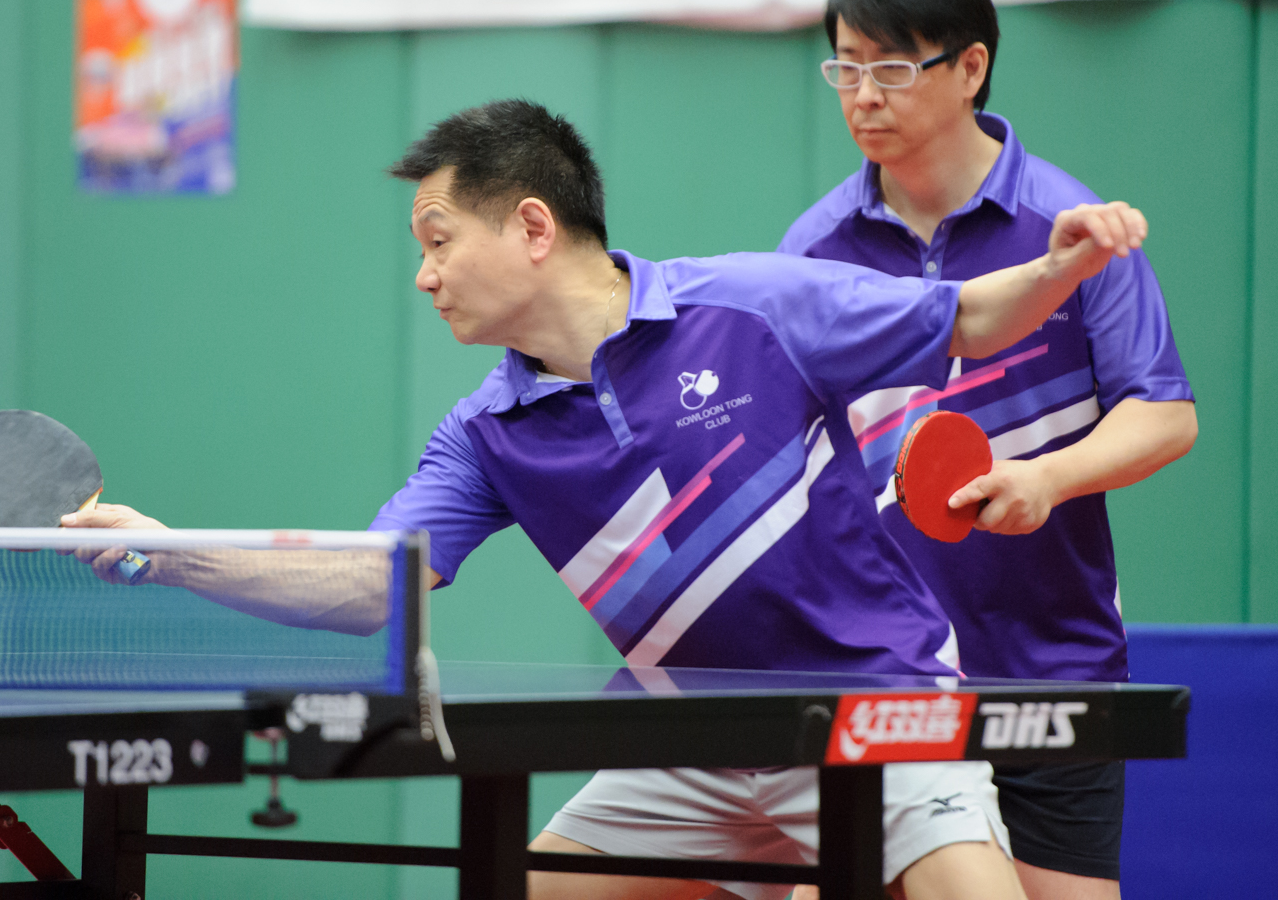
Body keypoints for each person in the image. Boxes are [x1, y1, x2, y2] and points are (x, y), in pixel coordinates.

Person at [65, 98, 1153, 900]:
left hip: (877, 709)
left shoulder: (753, 306)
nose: (424, 276)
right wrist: (173, 552)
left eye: (439, 242)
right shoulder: (487, 436)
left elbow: (964, 318)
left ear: (532, 227)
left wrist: (1057, 270)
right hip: (689, 744)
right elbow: (368, 587)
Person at [778, 0, 1197, 900]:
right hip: (887, 671)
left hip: (1050, 661)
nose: (862, 95)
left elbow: (1164, 415)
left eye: (891, 68)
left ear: (969, 68)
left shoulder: (1071, 228)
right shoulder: (813, 251)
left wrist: (1047, 478)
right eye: (845, 67)